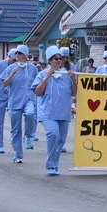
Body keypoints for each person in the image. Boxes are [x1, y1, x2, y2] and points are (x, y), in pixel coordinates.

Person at [31, 46, 77, 175]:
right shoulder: (42, 74)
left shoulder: (66, 75)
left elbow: (74, 93)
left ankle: (54, 164)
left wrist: (74, 80)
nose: (58, 61)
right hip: (48, 112)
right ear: (50, 61)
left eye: (60, 58)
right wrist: (46, 77)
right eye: (55, 59)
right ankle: (50, 165)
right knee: (53, 134)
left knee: (61, 140)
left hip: (63, 112)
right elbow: (38, 92)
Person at [0, 45, 39, 163]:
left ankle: (28, 136)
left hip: (29, 99)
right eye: (16, 53)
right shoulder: (11, 67)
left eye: (20, 53)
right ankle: (17, 154)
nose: (17, 55)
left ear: (26, 55)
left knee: (31, 114)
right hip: (15, 101)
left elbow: (38, 82)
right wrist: (12, 74)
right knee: (16, 129)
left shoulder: (32, 68)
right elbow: (4, 84)